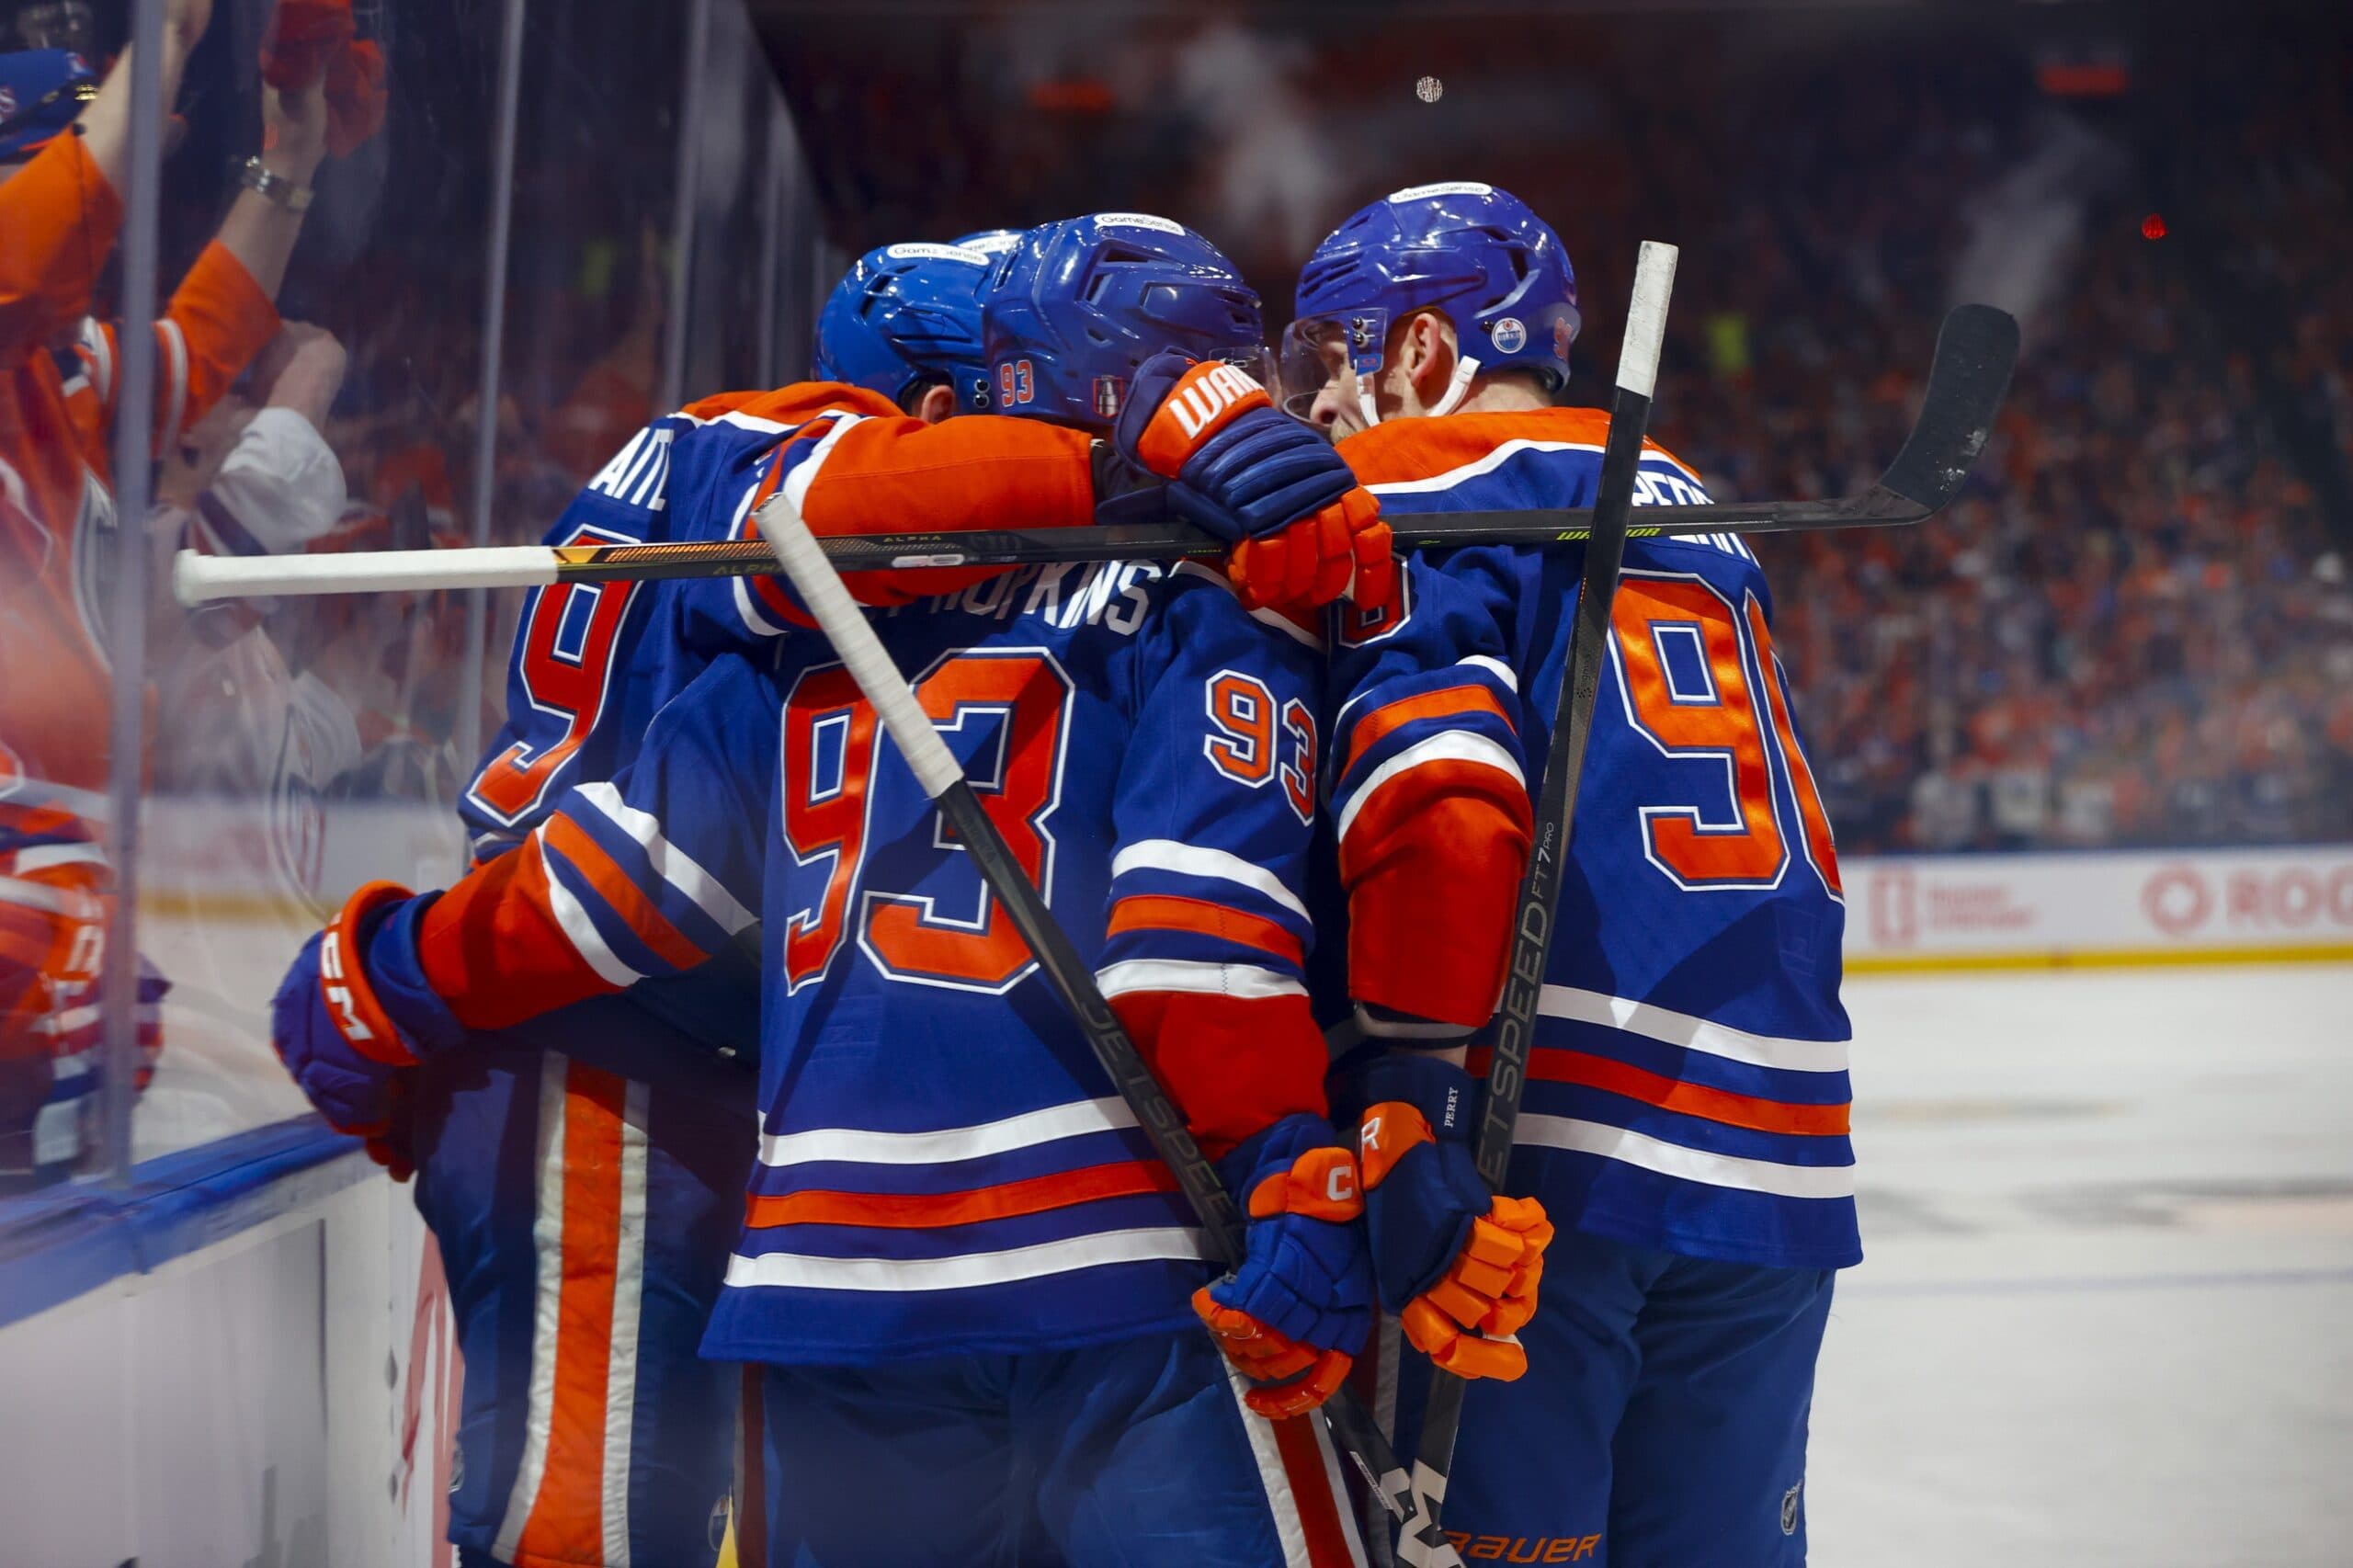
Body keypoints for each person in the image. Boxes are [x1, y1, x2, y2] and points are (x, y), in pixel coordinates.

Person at [274, 214, 1382, 1568]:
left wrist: (396, 973)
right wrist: (1293, 1167)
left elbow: (627, 880)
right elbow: (1197, 946)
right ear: (933, 402)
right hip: (1001, 1205)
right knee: (582, 1537)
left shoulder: (802, 609)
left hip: (796, 1223)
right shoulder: (826, 493)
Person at [1270, 181, 1856, 1565]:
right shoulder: (1694, 497)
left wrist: (1405, 1089)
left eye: (1330, 359)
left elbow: (1444, 805)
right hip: (1782, 1132)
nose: (1315, 405)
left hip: (1556, 1136)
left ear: (1420, 349)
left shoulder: (1420, 479)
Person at [0, 0, 374, 1181]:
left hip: (66, 906)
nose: (103, 237)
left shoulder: (64, 368)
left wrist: (291, 146)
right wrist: (164, 34)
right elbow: (40, 235)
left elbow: (207, 330)